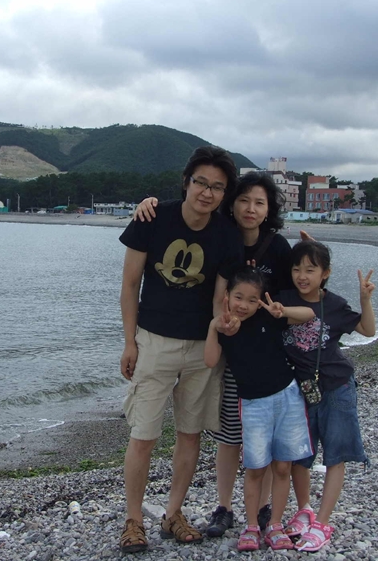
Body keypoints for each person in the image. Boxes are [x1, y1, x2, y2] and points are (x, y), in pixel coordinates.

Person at [133, 172, 296, 536]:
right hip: (227, 353)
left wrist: (310, 262)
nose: (250, 209)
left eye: (259, 203)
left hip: (267, 357)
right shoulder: (222, 236)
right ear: (231, 203)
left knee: (264, 434)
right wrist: (148, 203)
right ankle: (224, 507)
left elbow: (296, 292)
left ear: (268, 209)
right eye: (243, 200)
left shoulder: (278, 248)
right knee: (229, 434)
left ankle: (264, 507)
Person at [117, 146, 244, 554]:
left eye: (217, 187)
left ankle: (173, 513)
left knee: (190, 436)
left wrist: (222, 328)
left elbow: (220, 297)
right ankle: (133, 520)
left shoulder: (226, 234)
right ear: (186, 182)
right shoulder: (152, 218)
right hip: (153, 342)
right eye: (201, 183)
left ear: (224, 194)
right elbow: (129, 285)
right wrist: (129, 342)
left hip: (200, 347)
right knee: (143, 435)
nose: (207, 192)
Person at [203, 266, 315, 551]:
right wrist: (213, 328)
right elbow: (210, 360)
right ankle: (251, 526)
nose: (244, 305)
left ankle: (275, 524)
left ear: (260, 301)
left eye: (252, 300)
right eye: (238, 297)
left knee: (283, 466)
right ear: (227, 296)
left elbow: (310, 314)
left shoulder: (269, 316)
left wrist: (281, 311)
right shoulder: (226, 326)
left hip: (287, 397)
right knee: (255, 468)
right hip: (252, 404)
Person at [277, 240, 376, 552]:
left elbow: (368, 330)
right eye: (297, 269)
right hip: (300, 390)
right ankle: (304, 510)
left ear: (325, 273)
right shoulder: (284, 298)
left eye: (310, 270)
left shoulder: (334, 304)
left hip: (337, 387)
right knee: (299, 455)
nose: (302, 276)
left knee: (335, 455)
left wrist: (365, 299)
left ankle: (322, 523)